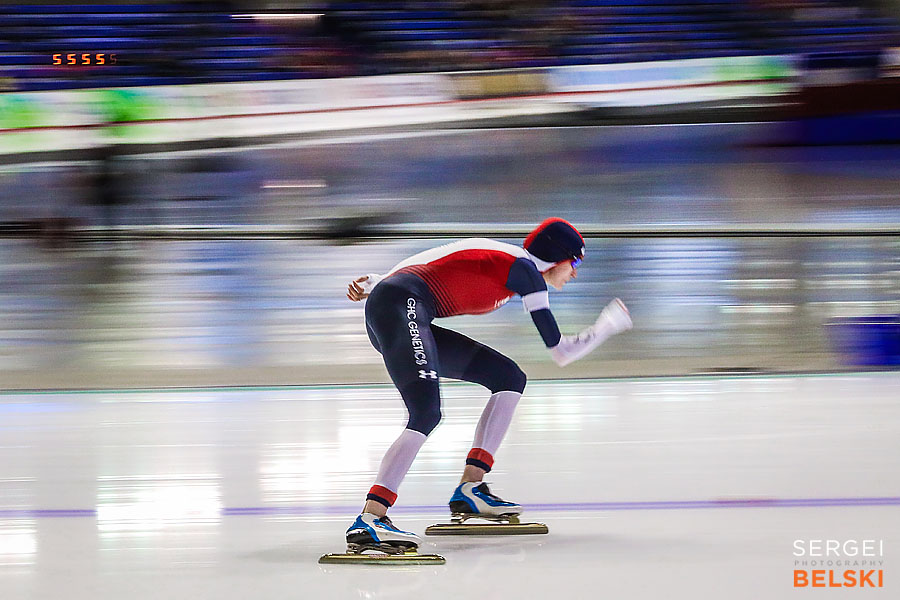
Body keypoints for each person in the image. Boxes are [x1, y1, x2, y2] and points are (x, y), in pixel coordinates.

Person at [343, 218, 632, 552]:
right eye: (575, 262)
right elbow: (562, 351)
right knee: (425, 413)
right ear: (556, 256)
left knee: (509, 378)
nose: (575, 273)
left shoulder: (511, 267)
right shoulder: (522, 269)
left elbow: (446, 259)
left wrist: (382, 281)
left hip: (400, 306)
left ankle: (471, 490)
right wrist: (607, 325)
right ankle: (370, 519)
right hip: (398, 307)